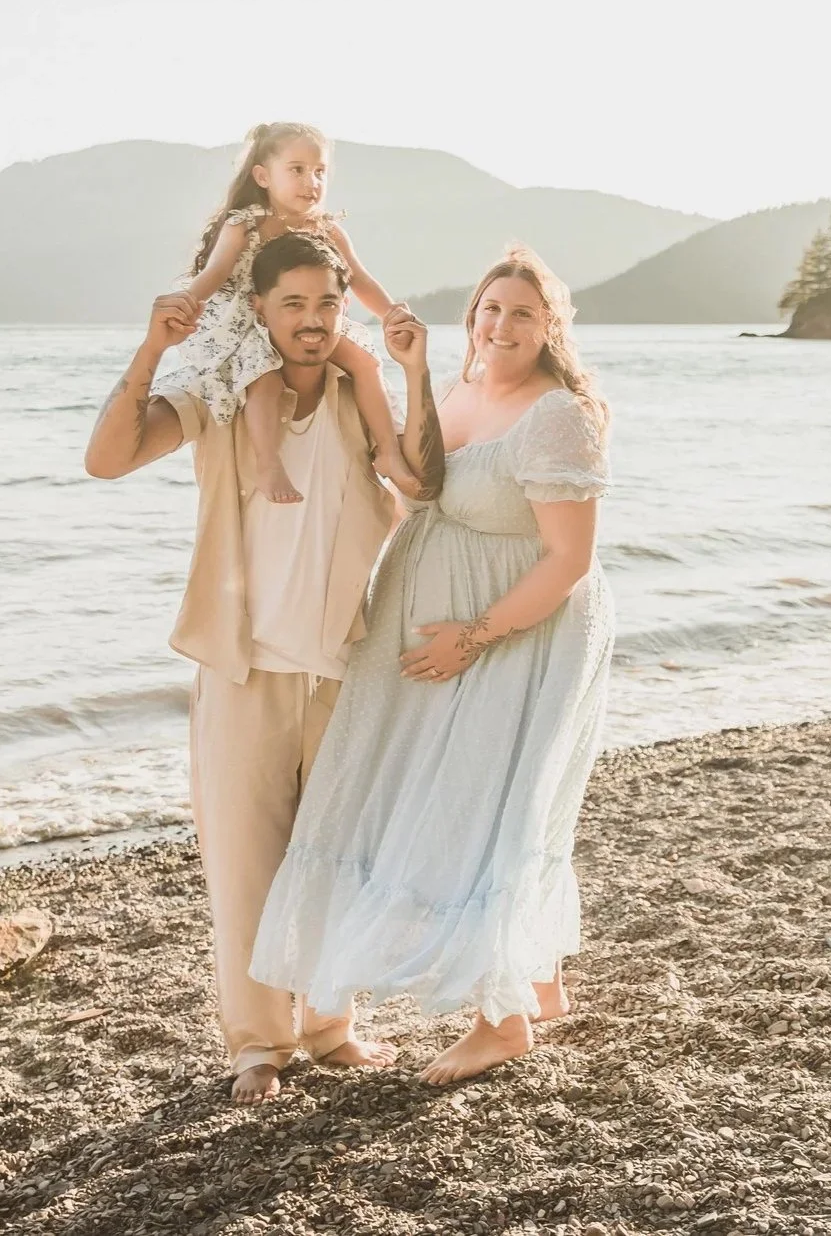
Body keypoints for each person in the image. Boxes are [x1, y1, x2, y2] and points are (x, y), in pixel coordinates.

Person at [83, 230, 444, 1104]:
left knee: (331, 860)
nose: (314, 320)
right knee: (247, 869)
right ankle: (259, 1043)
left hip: (342, 671)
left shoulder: (361, 400)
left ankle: (328, 1027)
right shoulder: (218, 398)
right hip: (243, 673)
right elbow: (107, 457)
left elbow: (424, 482)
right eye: (294, 304)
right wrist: (151, 349)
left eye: (328, 303)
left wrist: (414, 370)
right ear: (259, 311)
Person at [251, 245, 614, 1085]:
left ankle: (501, 1019)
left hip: (521, 628)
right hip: (430, 624)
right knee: (423, 787)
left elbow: (567, 561)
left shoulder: (557, 413)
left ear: (551, 325)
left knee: (482, 799)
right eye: (491, 308)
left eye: (523, 312)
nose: (502, 324)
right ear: (472, 317)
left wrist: (472, 636)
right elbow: (419, 478)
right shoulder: (461, 388)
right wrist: (408, 369)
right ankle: (537, 978)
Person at [168, 120, 416, 504]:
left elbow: (360, 279)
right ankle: (268, 464)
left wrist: (392, 314)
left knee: (366, 361)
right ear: (263, 176)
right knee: (263, 375)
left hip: (311, 323)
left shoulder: (328, 230)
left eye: (319, 172)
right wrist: (185, 303)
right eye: (297, 170)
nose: (311, 182)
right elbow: (214, 274)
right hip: (250, 324)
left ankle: (388, 451)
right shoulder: (244, 226)